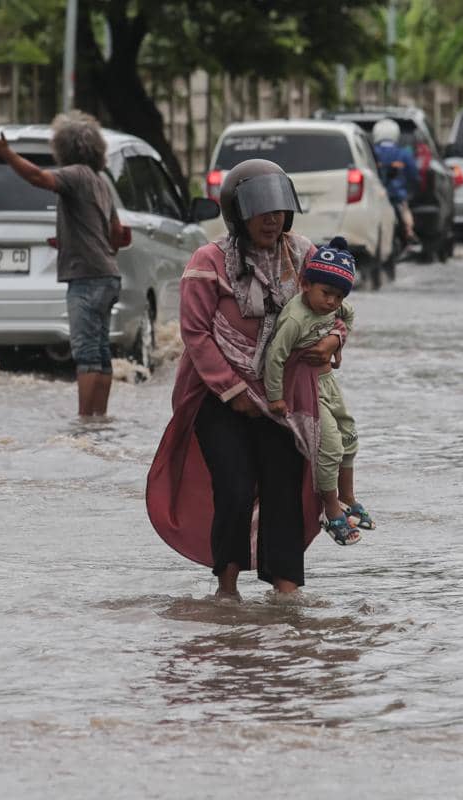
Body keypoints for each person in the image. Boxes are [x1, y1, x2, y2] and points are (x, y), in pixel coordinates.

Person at [146, 159, 345, 599]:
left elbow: (333, 308)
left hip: (283, 397)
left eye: (278, 211)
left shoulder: (304, 256)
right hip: (217, 398)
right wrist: (232, 390)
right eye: (260, 211)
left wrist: (333, 340)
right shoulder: (208, 262)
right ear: (237, 214)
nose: (271, 220)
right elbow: (196, 334)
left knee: (284, 490)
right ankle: (227, 590)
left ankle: (287, 596)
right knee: (234, 487)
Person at [0, 112, 121, 417]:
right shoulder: (101, 182)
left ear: (64, 148)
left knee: (86, 354)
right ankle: (99, 421)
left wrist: (6, 153)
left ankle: (84, 422)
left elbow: (38, 178)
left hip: (86, 277)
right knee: (101, 352)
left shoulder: (75, 175)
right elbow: (117, 235)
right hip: (108, 274)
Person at [265, 237, 373, 546]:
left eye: (338, 296)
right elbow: (275, 357)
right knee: (331, 446)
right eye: (326, 293)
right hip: (305, 388)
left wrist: (337, 343)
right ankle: (330, 507)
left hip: (328, 383)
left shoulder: (336, 306)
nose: (331, 302)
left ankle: (348, 497)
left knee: (349, 435)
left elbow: (348, 315)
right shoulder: (295, 319)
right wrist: (275, 397)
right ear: (306, 284)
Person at [371, 118, 419, 243]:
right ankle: (409, 232)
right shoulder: (404, 154)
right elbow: (413, 175)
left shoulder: (371, 152)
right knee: (405, 211)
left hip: (376, 197)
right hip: (398, 195)